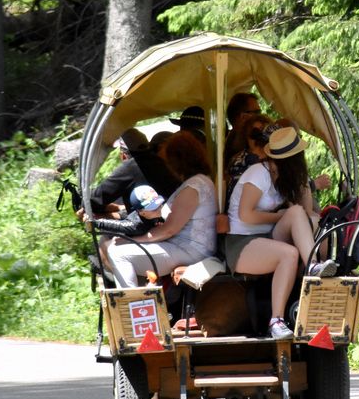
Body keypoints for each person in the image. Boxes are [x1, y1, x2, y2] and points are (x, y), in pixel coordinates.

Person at [224, 126, 337, 339]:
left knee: (303, 215)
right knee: (288, 253)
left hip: (269, 237)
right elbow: (246, 215)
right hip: (243, 241)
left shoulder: (286, 176)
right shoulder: (259, 173)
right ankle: (276, 320)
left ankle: (312, 266)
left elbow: (305, 212)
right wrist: (279, 216)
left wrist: (302, 181)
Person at [107, 132, 218, 288]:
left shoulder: (193, 187)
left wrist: (132, 240)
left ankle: (132, 306)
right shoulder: (200, 181)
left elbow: (169, 230)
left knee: (117, 253)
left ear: (177, 162)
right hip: (188, 246)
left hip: (189, 250)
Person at [85, 128, 178, 218]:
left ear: (123, 155)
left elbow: (92, 202)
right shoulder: (162, 160)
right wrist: (118, 208)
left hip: (154, 225)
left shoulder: (130, 167)